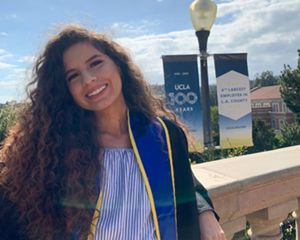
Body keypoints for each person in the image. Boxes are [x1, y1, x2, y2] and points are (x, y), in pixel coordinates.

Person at [0, 25, 225, 240]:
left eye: (95, 63)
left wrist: (205, 212)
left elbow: (184, 180)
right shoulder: (53, 150)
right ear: (65, 90)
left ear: (118, 65)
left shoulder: (164, 135)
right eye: (73, 76)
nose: (88, 79)